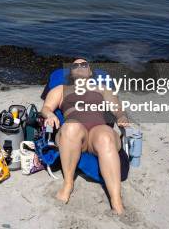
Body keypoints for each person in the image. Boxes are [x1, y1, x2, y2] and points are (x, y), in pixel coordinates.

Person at [40, 58, 129, 214]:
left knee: (105, 136)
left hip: (97, 133)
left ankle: (116, 201)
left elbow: (118, 109)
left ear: (90, 71)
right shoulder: (61, 89)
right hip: (74, 136)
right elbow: (46, 108)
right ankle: (68, 184)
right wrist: (50, 115)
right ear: (71, 72)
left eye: (84, 64)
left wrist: (121, 117)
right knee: (71, 127)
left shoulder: (102, 89)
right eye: (75, 65)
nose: (80, 67)